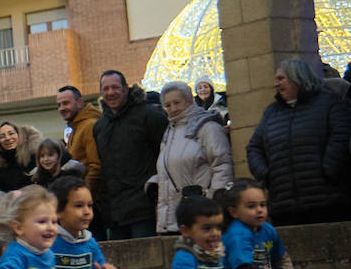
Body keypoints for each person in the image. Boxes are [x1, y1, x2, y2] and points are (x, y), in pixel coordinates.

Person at [246, 58, 351, 226]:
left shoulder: (329, 103)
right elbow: (253, 148)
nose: (276, 84)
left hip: (327, 203)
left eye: (281, 78)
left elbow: (341, 137)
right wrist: (267, 174)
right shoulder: (272, 113)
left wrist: (329, 169)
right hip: (284, 206)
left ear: (298, 77)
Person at [93, 70, 167, 240]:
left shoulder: (149, 116)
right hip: (114, 214)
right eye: (106, 89)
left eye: (115, 87)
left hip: (144, 210)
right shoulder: (100, 127)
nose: (110, 93)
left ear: (126, 89)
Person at [154, 81, 233, 235]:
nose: (173, 109)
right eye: (168, 105)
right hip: (177, 219)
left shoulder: (207, 127)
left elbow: (222, 165)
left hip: (202, 216)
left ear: (189, 101)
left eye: (177, 103)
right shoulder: (169, 132)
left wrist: (213, 203)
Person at [56, 86, 103, 203]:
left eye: (66, 103)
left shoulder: (89, 126)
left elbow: (96, 167)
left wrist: (83, 198)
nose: (61, 108)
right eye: (59, 105)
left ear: (80, 102)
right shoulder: (75, 128)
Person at [0, 121, 40, 193]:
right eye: (2, 136)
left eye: (11, 133)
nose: (7, 138)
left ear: (19, 135)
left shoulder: (35, 156)